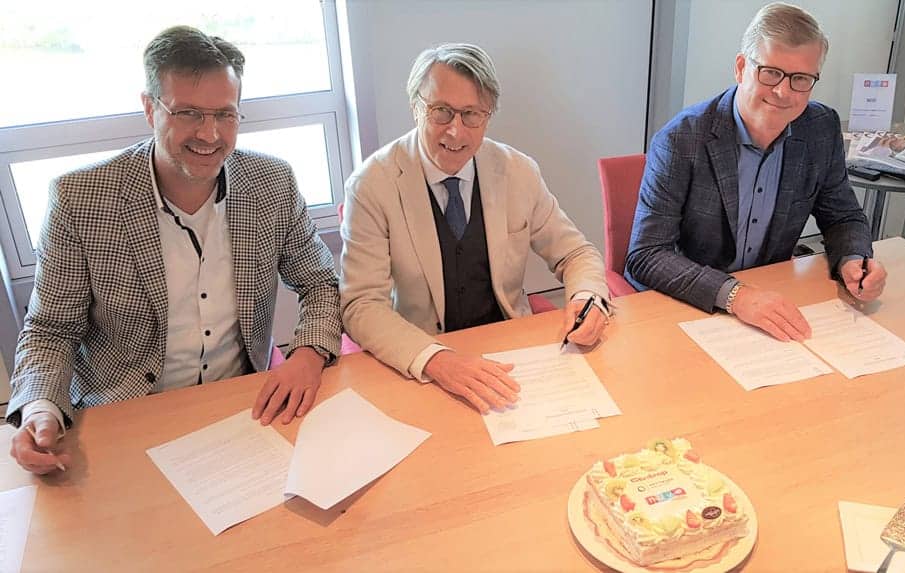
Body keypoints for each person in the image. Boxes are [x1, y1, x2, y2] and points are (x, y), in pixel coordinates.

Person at [7, 26, 342, 475]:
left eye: (225, 114)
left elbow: (319, 283)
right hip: (125, 413)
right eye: (188, 113)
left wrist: (308, 354)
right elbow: (51, 329)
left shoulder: (271, 183)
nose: (210, 133)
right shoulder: (80, 198)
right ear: (150, 108)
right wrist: (40, 408)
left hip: (242, 404)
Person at [340, 43, 609, 414]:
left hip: (509, 354)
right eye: (441, 111)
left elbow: (576, 253)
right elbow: (361, 305)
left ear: (488, 116)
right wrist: (437, 360)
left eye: (471, 114)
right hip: (424, 359)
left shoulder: (518, 171)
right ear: (415, 107)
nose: (455, 131)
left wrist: (587, 298)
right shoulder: (372, 185)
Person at [626, 2, 887, 342]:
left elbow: (843, 216)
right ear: (740, 68)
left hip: (770, 300)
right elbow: (646, 255)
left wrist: (853, 260)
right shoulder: (682, 139)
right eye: (770, 73)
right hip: (689, 304)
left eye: (800, 79)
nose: (783, 91)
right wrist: (736, 296)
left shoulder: (820, 128)